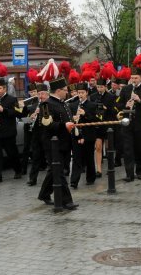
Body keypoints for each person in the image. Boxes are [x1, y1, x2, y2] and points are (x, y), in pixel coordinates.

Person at [37, 76, 78, 210]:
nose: (67, 92)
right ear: (58, 90)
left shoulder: (63, 103)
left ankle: (44, 194)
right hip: (53, 144)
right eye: (65, 90)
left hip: (65, 142)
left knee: (54, 171)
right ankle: (66, 201)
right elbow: (46, 123)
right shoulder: (46, 104)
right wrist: (63, 125)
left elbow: (69, 119)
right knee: (58, 171)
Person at [0, 78, 22, 184]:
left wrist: (4, 110)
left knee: (12, 154)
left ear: (4, 88)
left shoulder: (12, 99)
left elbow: (18, 113)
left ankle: (18, 170)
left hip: (8, 132)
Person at [70, 82, 99, 188]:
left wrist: (85, 114)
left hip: (88, 135)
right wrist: (74, 118)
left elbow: (96, 119)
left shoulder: (92, 105)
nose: (80, 95)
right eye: (79, 93)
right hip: (77, 135)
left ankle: (91, 177)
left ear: (86, 93)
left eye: (82, 93)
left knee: (89, 157)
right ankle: (74, 180)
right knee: (77, 158)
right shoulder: (73, 105)